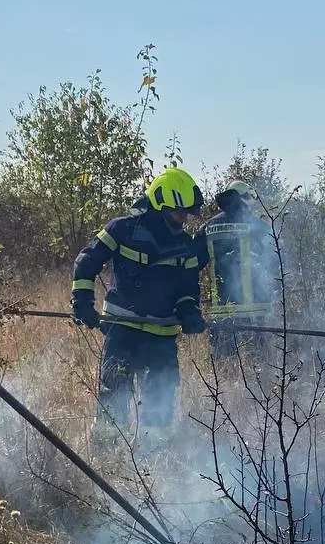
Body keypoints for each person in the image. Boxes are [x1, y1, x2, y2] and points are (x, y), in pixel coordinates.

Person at [71, 168, 208, 447]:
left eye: (186, 214)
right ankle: (107, 458)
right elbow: (87, 261)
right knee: (113, 397)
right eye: (179, 213)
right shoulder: (121, 229)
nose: (184, 219)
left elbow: (187, 288)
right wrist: (82, 302)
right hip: (122, 332)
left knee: (159, 406)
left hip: (162, 338)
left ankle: (153, 459)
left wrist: (190, 311)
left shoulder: (185, 245)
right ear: (160, 204)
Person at [199, 180, 277, 358]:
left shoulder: (209, 227)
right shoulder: (260, 228)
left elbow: (193, 263)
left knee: (225, 363)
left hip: (222, 309)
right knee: (259, 363)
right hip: (256, 310)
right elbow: (277, 260)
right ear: (245, 200)